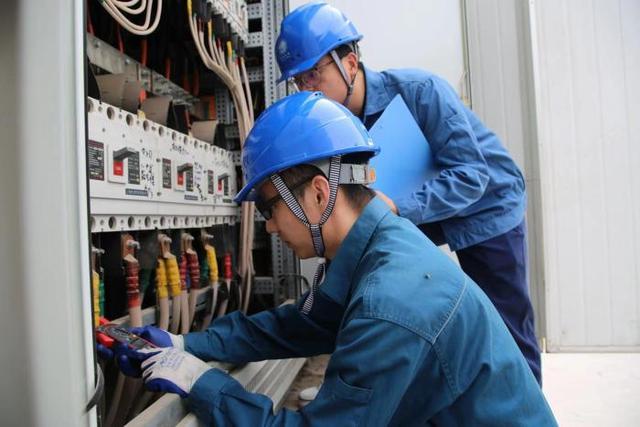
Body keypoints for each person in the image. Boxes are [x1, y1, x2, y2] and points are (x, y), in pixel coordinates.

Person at [116, 91, 556, 426]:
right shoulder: (381, 249)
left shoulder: (391, 300)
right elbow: (302, 326)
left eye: (269, 208)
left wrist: (200, 382)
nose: (269, 227)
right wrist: (186, 345)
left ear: (318, 194)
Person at [275, 2, 541, 384]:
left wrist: (398, 208)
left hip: (489, 206)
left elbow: (472, 176)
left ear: (350, 62)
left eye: (314, 73)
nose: (308, 88)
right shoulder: (337, 130)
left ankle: (526, 404)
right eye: (299, 80)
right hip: (421, 211)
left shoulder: (420, 92)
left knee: (506, 327)